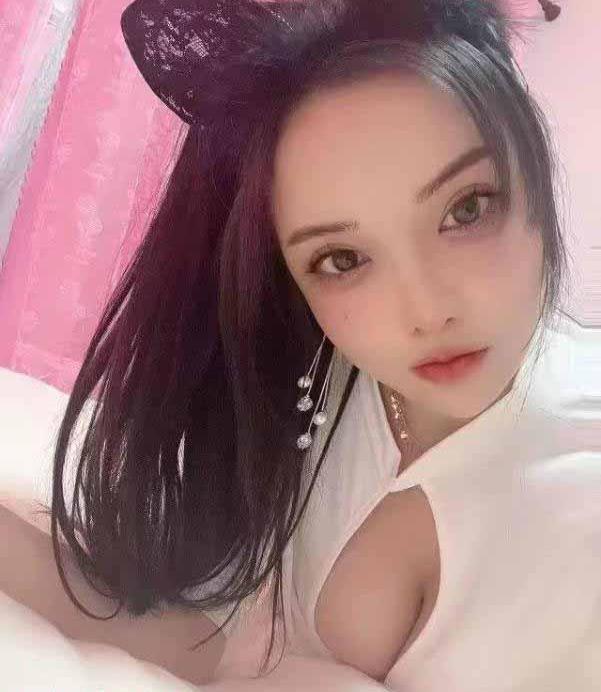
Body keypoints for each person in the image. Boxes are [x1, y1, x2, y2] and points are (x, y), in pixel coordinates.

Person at [2, 0, 600, 689]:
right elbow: (215, 641)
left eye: (466, 209)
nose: (426, 310)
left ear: (533, 175)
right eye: (342, 259)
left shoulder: (574, 515)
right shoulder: (329, 381)